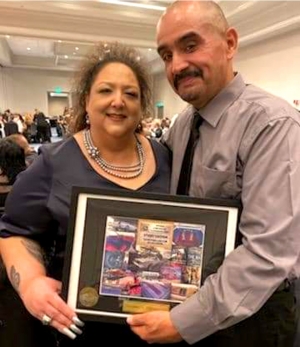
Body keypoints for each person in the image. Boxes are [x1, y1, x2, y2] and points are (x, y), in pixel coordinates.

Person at [127, 2, 300, 347]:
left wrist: (182, 322)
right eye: (166, 55)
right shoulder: (182, 125)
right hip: (190, 299)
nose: (176, 65)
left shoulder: (272, 124)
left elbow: (268, 253)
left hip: (252, 316)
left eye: (190, 46)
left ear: (230, 44)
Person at [0, 41, 171, 347]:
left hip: (159, 327)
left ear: (142, 105)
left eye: (130, 93)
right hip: (83, 329)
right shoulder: (54, 162)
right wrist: (31, 284)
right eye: (106, 90)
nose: (118, 101)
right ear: (86, 101)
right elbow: (13, 231)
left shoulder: (166, 157)